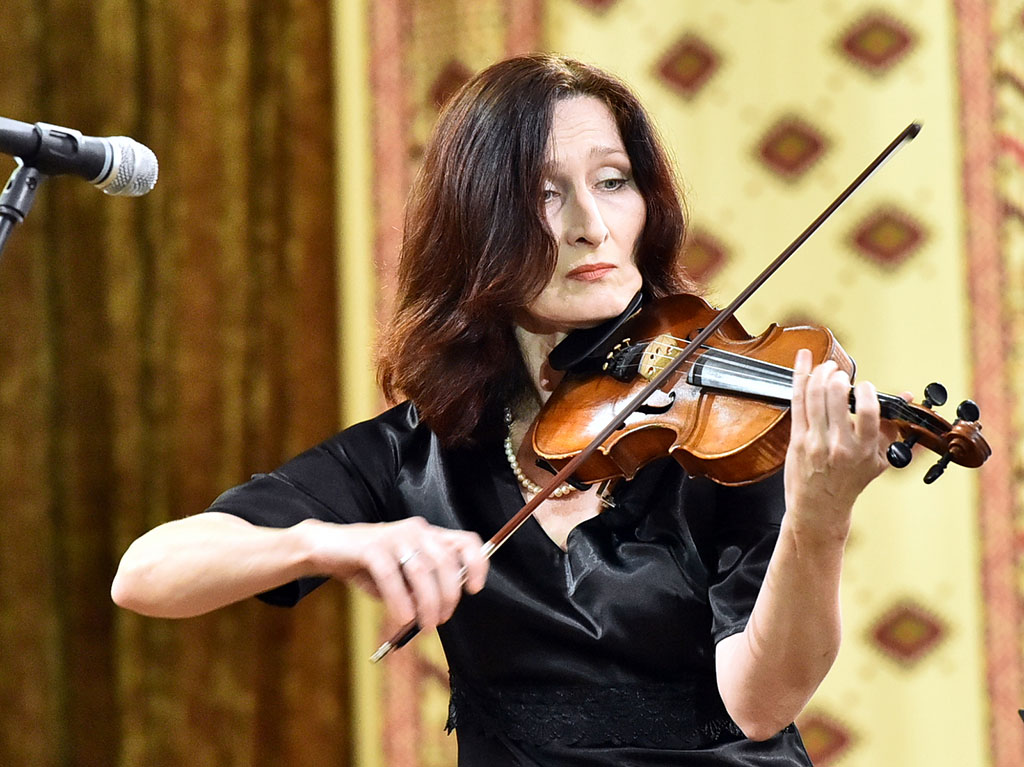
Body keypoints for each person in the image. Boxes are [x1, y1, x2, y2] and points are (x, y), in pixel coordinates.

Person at [112, 54, 896, 765]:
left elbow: (761, 702)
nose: (592, 225)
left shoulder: (720, 427)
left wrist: (819, 518)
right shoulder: (420, 454)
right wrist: (322, 541)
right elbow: (146, 574)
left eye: (613, 181)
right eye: (546, 194)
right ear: (478, 223)